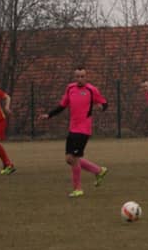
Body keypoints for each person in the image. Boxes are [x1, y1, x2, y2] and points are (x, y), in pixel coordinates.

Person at [39, 67, 110, 197]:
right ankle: (98, 170)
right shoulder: (70, 88)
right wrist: (49, 115)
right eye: (77, 76)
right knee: (69, 159)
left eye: (82, 76)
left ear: (86, 77)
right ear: (74, 77)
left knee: (75, 159)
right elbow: (62, 105)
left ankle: (78, 189)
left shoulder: (92, 90)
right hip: (73, 128)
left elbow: (104, 103)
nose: (80, 79)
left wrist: (101, 107)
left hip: (84, 130)